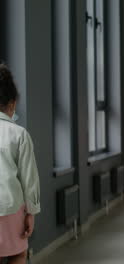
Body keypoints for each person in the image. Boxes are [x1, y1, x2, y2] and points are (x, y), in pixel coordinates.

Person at [0, 64, 41, 264]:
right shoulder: (19, 134)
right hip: (10, 208)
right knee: (17, 254)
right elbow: (29, 180)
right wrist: (30, 213)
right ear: (12, 103)